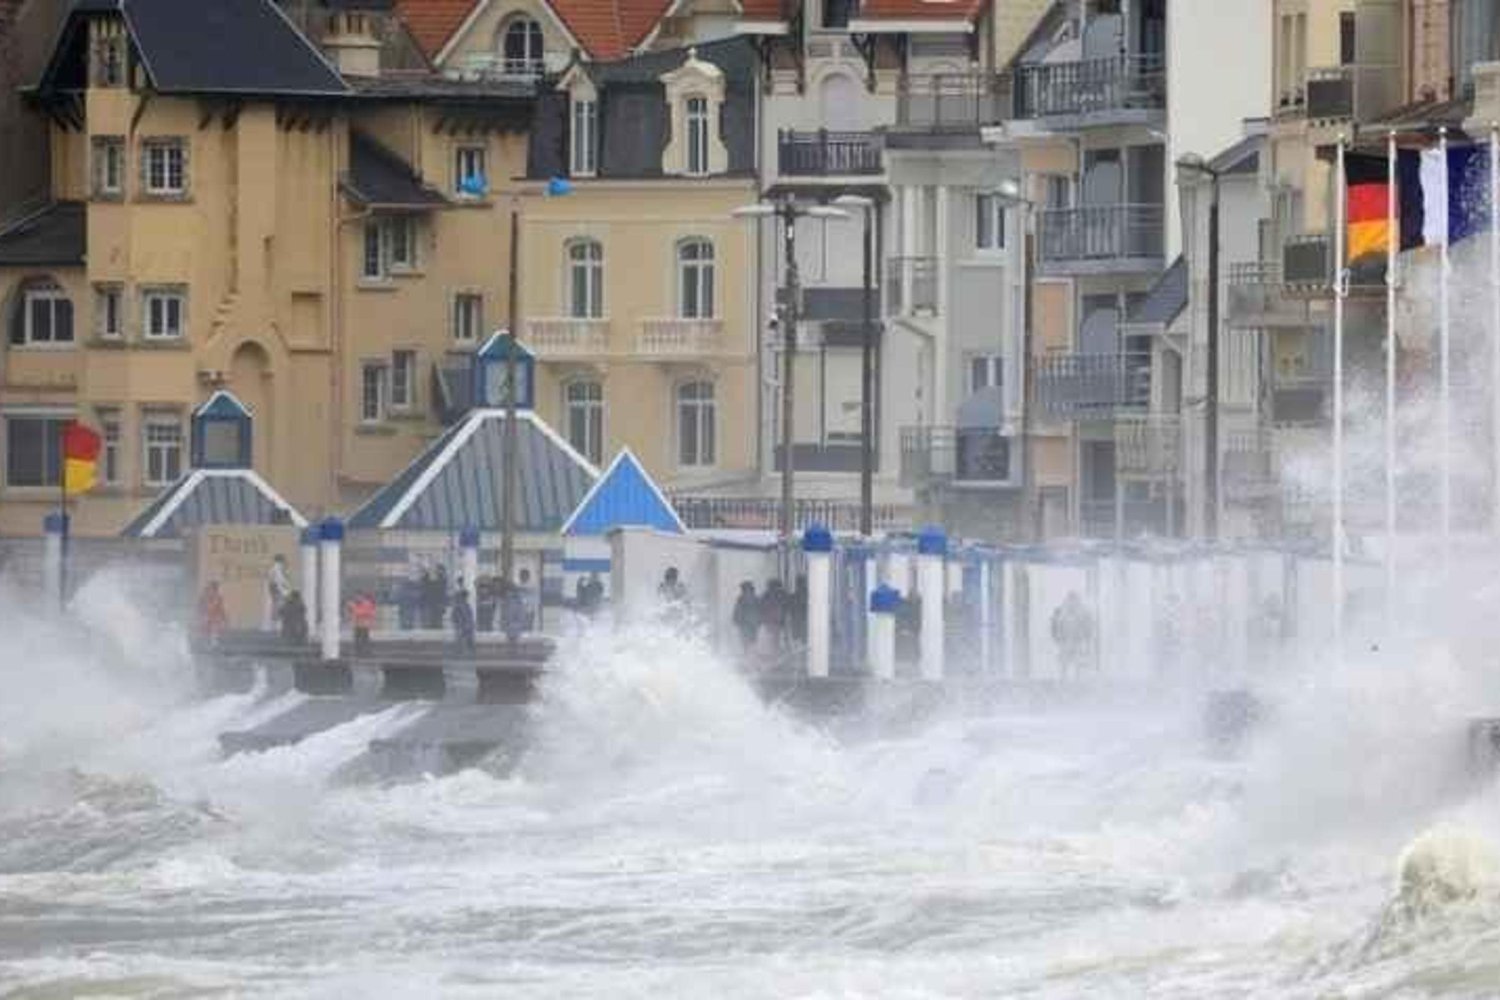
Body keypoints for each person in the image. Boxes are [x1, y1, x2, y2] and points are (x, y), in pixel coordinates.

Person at [1051, 591, 1095, 680]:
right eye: (1071, 599)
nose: (1072, 602)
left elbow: (1088, 627)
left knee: (1077, 660)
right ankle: (1064, 677)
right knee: (1065, 661)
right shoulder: (1060, 611)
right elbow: (1054, 626)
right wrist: (1057, 638)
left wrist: (1086, 639)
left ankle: (1076, 677)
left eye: (1074, 599)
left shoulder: (1083, 612)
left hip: (1077, 641)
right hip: (1065, 641)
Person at [197, 581, 228, 649]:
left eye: (214, 589)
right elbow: (200, 607)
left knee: (214, 629)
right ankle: (206, 643)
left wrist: (224, 618)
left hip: (214, 617)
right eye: (211, 588)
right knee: (206, 629)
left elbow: (221, 608)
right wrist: (201, 615)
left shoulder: (219, 597)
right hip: (206, 616)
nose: (212, 590)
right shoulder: (204, 597)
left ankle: (213, 643)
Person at [760, 578, 788, 653]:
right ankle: (775, 649)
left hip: (773, 620)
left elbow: (761, 607)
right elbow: (785, 605)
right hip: (775, 619)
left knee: (774, 635)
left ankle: (774, 649)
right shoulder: (781, 594)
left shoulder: (766, 595)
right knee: (775, 635)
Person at [732, 581, 760, 654]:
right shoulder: (756, 598)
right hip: (753, 623)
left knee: (745, 639)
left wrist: (736, 619)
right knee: (752, 639)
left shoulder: (741, 599)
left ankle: (748, 654)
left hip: (744, 623)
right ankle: (751, 654)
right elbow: (760, 610)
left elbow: (737, 610)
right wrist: (759, 621)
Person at [451, 579, 477, 654]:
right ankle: (459, 649)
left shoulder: (467, 606)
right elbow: (454, 617)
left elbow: (470, 617)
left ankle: (468, 648)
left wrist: (469, 624)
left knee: (468, 635)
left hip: (466, 626)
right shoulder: (457, 607)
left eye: (464, 597)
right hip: (460, 626)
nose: (463, 598)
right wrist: (459, 623)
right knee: (460, 635)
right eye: (461, 597)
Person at [265, 554, 290, 631]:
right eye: (283, 561)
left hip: (277, 591)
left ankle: (275, 624)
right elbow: (279, 582)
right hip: (277, 592)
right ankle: (276, 624)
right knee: (277, 608)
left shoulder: (276, 570)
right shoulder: (277, 570)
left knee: (277, 608)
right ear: (280, 561)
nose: (284, 563)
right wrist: (285, 591)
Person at [348, 591, 377, 656]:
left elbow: (370, 613)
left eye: (359, 596)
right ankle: (358, 651)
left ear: (362, 597)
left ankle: (365, 651)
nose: (357, 598)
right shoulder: (353, 605)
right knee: (357, 639)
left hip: (364, 625)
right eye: (356, 597)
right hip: (357, 625)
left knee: (364, 639)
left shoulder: (367, 604)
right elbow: (352, 613)